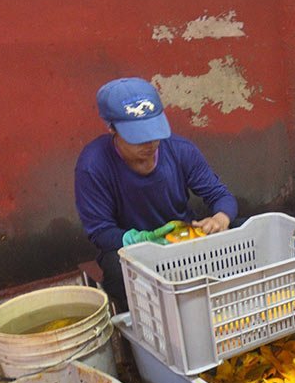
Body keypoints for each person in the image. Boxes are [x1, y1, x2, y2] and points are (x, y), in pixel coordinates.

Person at [75, 77, 237, 311]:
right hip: (134, 253)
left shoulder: (180, 150)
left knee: (241, 227)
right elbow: (100, 232)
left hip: (184, 240)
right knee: (115, 271)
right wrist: (142, 240)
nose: (150, 143)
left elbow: (219, 195)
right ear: (111, 127)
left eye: (154, 132)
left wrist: (220, 218)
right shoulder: (93, 166)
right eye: (138, 136)